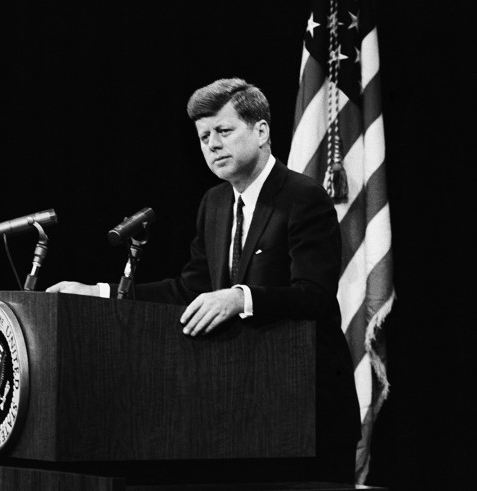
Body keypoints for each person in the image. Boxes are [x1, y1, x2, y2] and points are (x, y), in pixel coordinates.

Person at [47, 78, 361, 483]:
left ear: (261, 131)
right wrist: (103, 293)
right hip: (237, 411)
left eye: (224, 131)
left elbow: (314, 296)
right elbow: (188, 290)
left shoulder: (304, 198)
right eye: (204, 136)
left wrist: (238, 298)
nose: (212, 144)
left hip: (307, 409)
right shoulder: (214, 203)